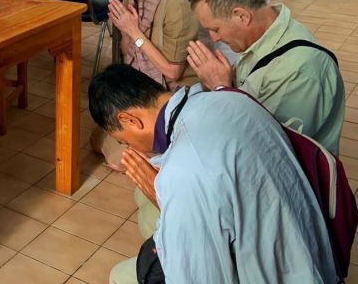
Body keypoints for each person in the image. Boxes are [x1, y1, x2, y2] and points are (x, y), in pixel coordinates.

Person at [90, 65, 337, 284]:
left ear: (130, 120)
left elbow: (197, 276)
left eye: (124, 141)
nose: (131, 149)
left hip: (275, 271)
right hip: (311, 256)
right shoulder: (231, 100)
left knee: (121, 275)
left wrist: (167, 199)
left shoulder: (182, 174)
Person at [187, 0, 344, 155]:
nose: (214, 39)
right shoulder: (264, 36)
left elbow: (267, 148)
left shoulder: (298, 69)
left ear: (242, 16)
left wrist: (221, 88)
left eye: (215, 29)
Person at [93, 0, 198, 171]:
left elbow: (173, 71)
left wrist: (134, 32)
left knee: (118, 159)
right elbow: (126, 53)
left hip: (171, 88)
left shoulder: (174, 2)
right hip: (141, 86)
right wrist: (126, 30)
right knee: (100, 139)